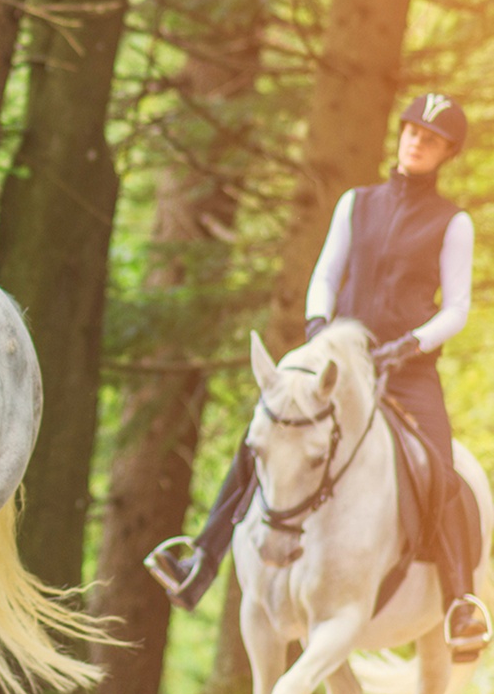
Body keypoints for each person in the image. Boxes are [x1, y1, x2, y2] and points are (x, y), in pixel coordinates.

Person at [147, 93, 489, 661]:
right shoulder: (357, 202)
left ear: (446, 152)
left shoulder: (453, 222)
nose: (416, 141)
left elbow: (456, 308)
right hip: (337, 363)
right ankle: (201, 559)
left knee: (441, 470)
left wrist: (408, 346)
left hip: (407, 372)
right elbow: (327, 271)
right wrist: (317, 326)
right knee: (265, 434)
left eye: (430, 138)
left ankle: (458, 604)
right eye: (411, 131)